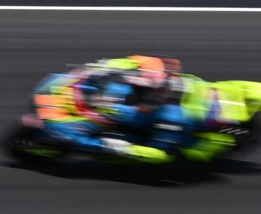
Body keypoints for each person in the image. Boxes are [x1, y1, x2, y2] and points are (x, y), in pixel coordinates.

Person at [37, 55, 223, 164]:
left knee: (119, 144)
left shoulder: (169, 118)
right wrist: (107, 66)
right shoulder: (160, 78)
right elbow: (141, 61)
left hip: (158, 129)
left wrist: (118, 147)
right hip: (152, 106)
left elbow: (161, 154)